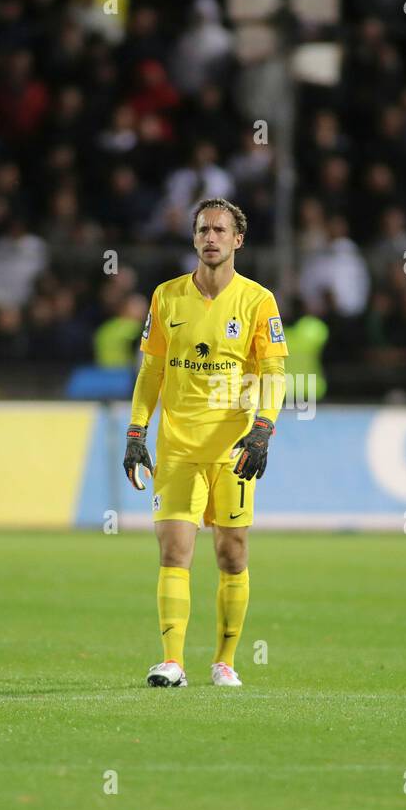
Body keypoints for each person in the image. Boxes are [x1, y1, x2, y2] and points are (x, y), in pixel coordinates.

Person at [123, 198, 288, 688]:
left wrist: (263, 428)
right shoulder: (166, 297)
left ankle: (224, 661)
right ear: (194, 238)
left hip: (233, 449)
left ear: (238, 240)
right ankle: (172, 661)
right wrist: (136, 432)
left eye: (220, 230)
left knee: (231, 554)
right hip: (177, 448)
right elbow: (152, 369)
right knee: (174, 549)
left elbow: (274, 371)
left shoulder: (258, 301)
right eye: (202, 230)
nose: (210, 238)